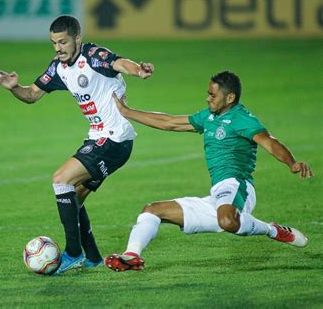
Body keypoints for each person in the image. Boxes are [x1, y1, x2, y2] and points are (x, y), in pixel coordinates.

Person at [0, 15, 154, 275]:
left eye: (63, 42)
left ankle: (73, 253)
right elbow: (32, 94)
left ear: (77, 38)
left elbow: (119, 63)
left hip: (114, 139)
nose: (58, 48)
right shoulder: (58, 67)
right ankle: (91, 257)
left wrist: (138, 70)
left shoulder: (93, 55)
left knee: (61, 180)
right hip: (101, 138)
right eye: (54, 42)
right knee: (74, 197)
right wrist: (13, 87)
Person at [105, 71, 313, 272]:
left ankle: (273, 230)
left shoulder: (242, 118)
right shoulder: (209, 117)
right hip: (218, 195)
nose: (207, 99)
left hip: (237, 186)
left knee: (227, 220)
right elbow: (169, 122)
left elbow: (269, 142)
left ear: (230, 97)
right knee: (151, 210)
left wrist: (291, 163)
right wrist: (127, 112)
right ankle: (131, 256)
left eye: (213, 95)